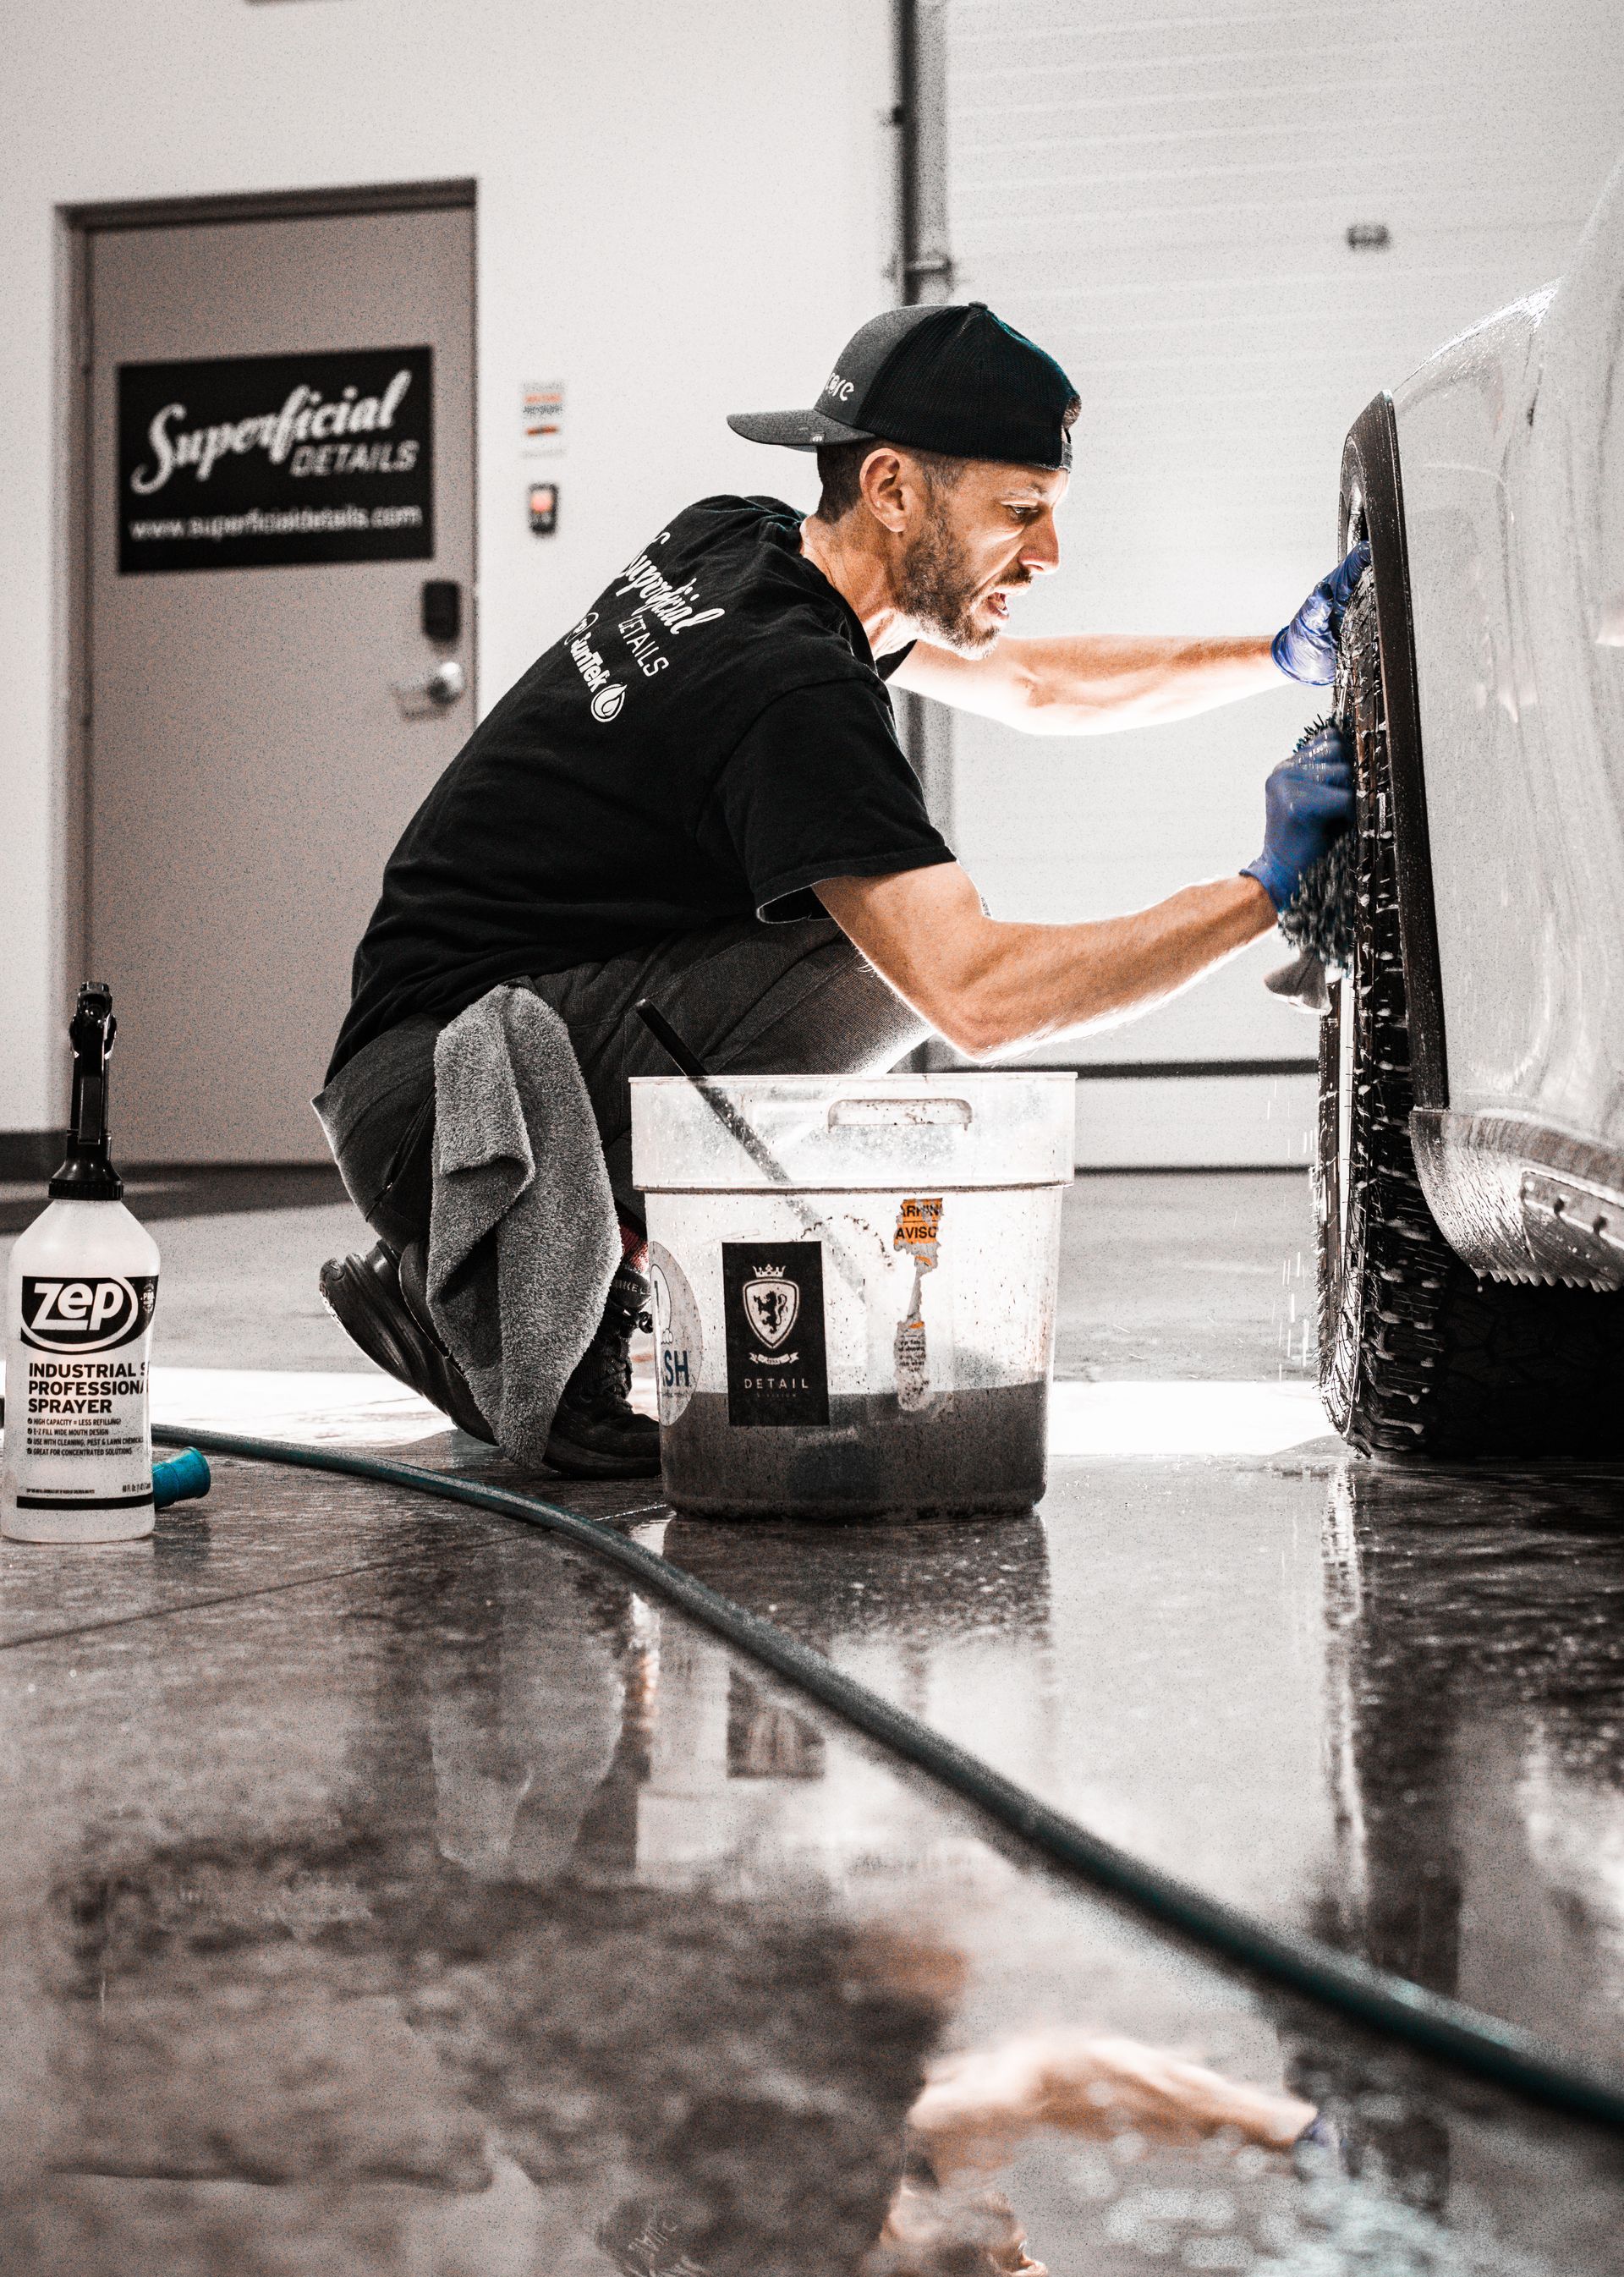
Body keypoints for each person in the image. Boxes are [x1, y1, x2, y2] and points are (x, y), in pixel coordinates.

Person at [316, 300, 1360, 1476]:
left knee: (885, 923)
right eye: (1021, 511)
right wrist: (1270, 889)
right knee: (888, 964)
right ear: (895, 488)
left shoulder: (739, 545)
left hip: (414, 1064)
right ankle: (509, 1298)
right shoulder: (788, 690)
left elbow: (1040, 689)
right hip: (446, 1103)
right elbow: (981, 999)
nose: (1050, 553)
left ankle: (485, 1274)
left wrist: (1276, 656)